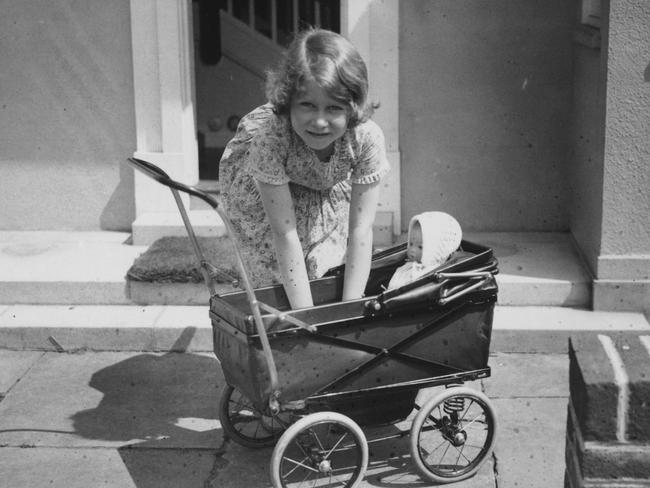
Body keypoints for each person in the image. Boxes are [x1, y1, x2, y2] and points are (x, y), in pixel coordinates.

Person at [218, 28, 390, 309]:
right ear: (288, 102)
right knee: (277, 285)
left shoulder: (366, 138)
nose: (320, 122)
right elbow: (284, 233)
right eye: (308, 105)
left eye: (334, 108)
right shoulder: (271, 138)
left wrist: (350, 310)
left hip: (325, 183)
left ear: (353, 107)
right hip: (270, 196)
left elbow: (361, 229)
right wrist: (306, 317)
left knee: (329, 269)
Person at [387, 212, 462, 289]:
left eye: (420, 247)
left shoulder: (429, 274)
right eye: (411, 244)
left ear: (436, 251)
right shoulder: (408, 267)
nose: (412, 250)